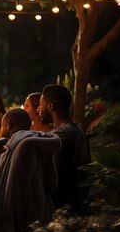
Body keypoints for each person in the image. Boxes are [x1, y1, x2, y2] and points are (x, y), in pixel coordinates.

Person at [39, 84, 90, 213]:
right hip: (82, 203)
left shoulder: (61, 136)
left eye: (41, 104)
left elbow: (55, 183)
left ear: (50, 106)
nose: (38, 109)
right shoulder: (75, 128)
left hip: (66, 212)